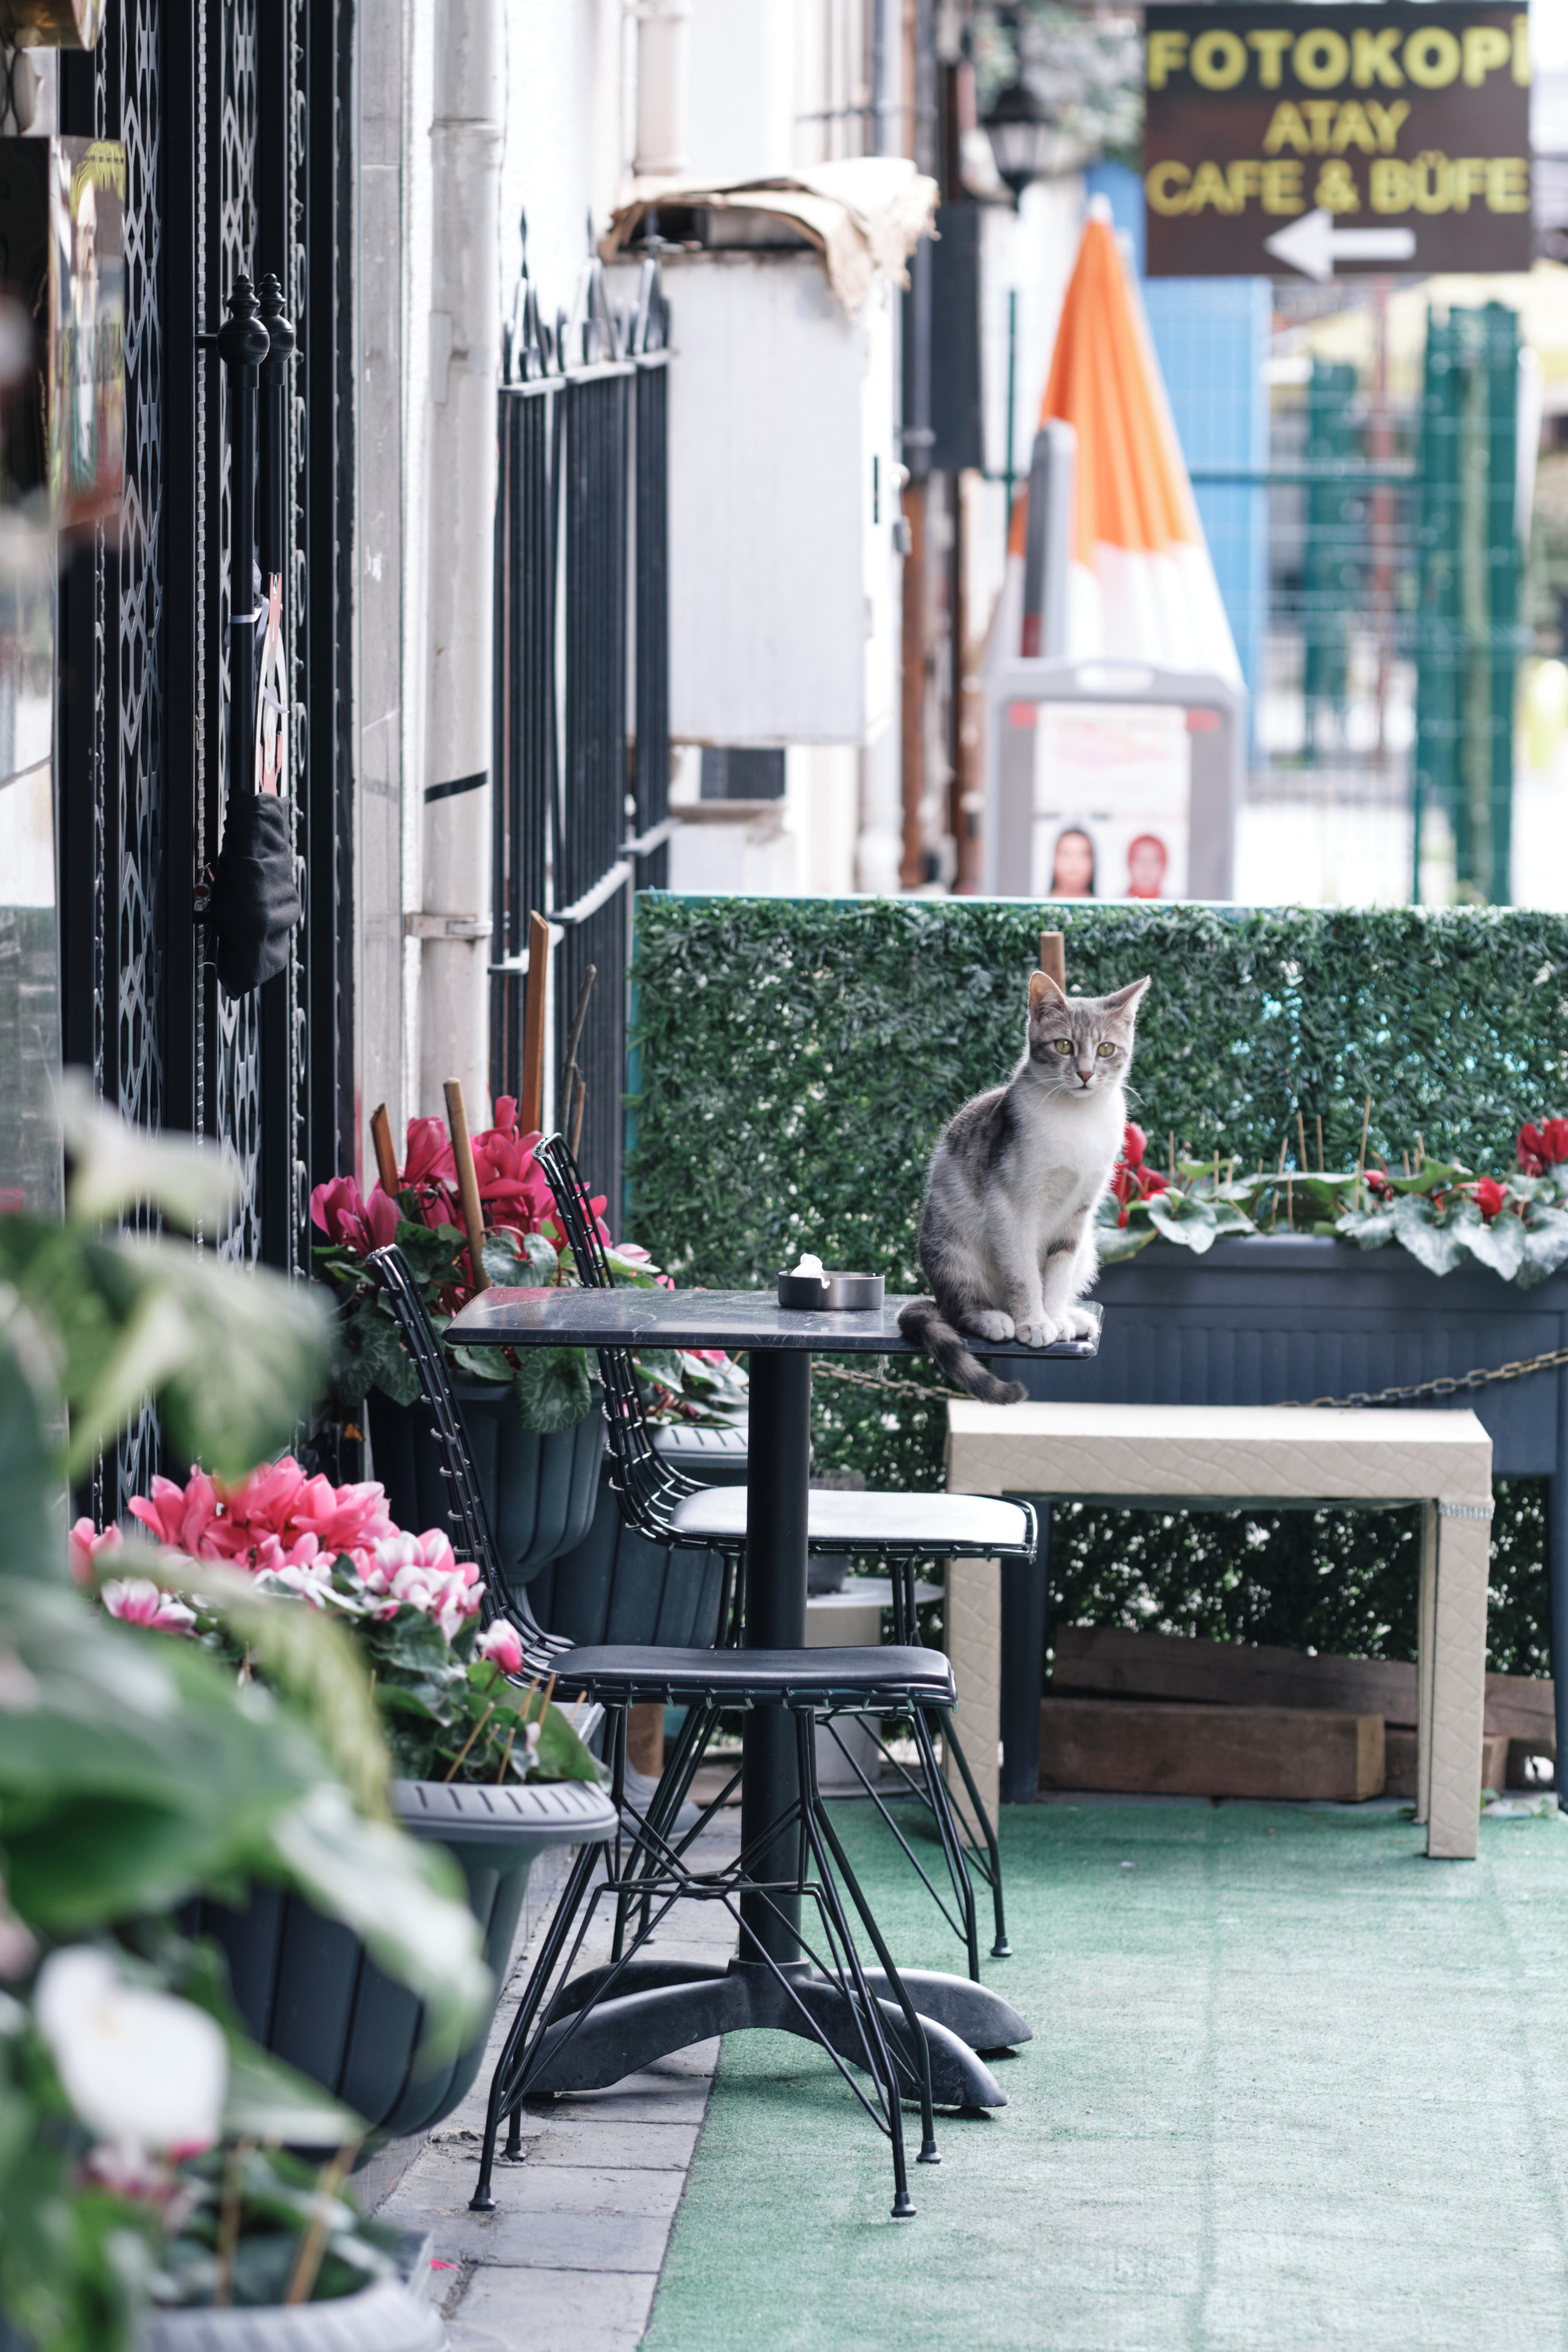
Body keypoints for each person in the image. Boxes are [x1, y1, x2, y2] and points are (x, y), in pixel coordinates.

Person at [1049, 825, 1096, 898]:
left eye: (1082, 855)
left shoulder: (1105, 908)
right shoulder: (1036, 907)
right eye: (1065, 854)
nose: (1074, 862)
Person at [1126, 833, 1168, 900]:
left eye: (1154, 861)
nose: (1147, 867)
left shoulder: (1178, 908)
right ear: (1130, 864)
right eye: (1141, 859)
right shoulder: (1112, 906)